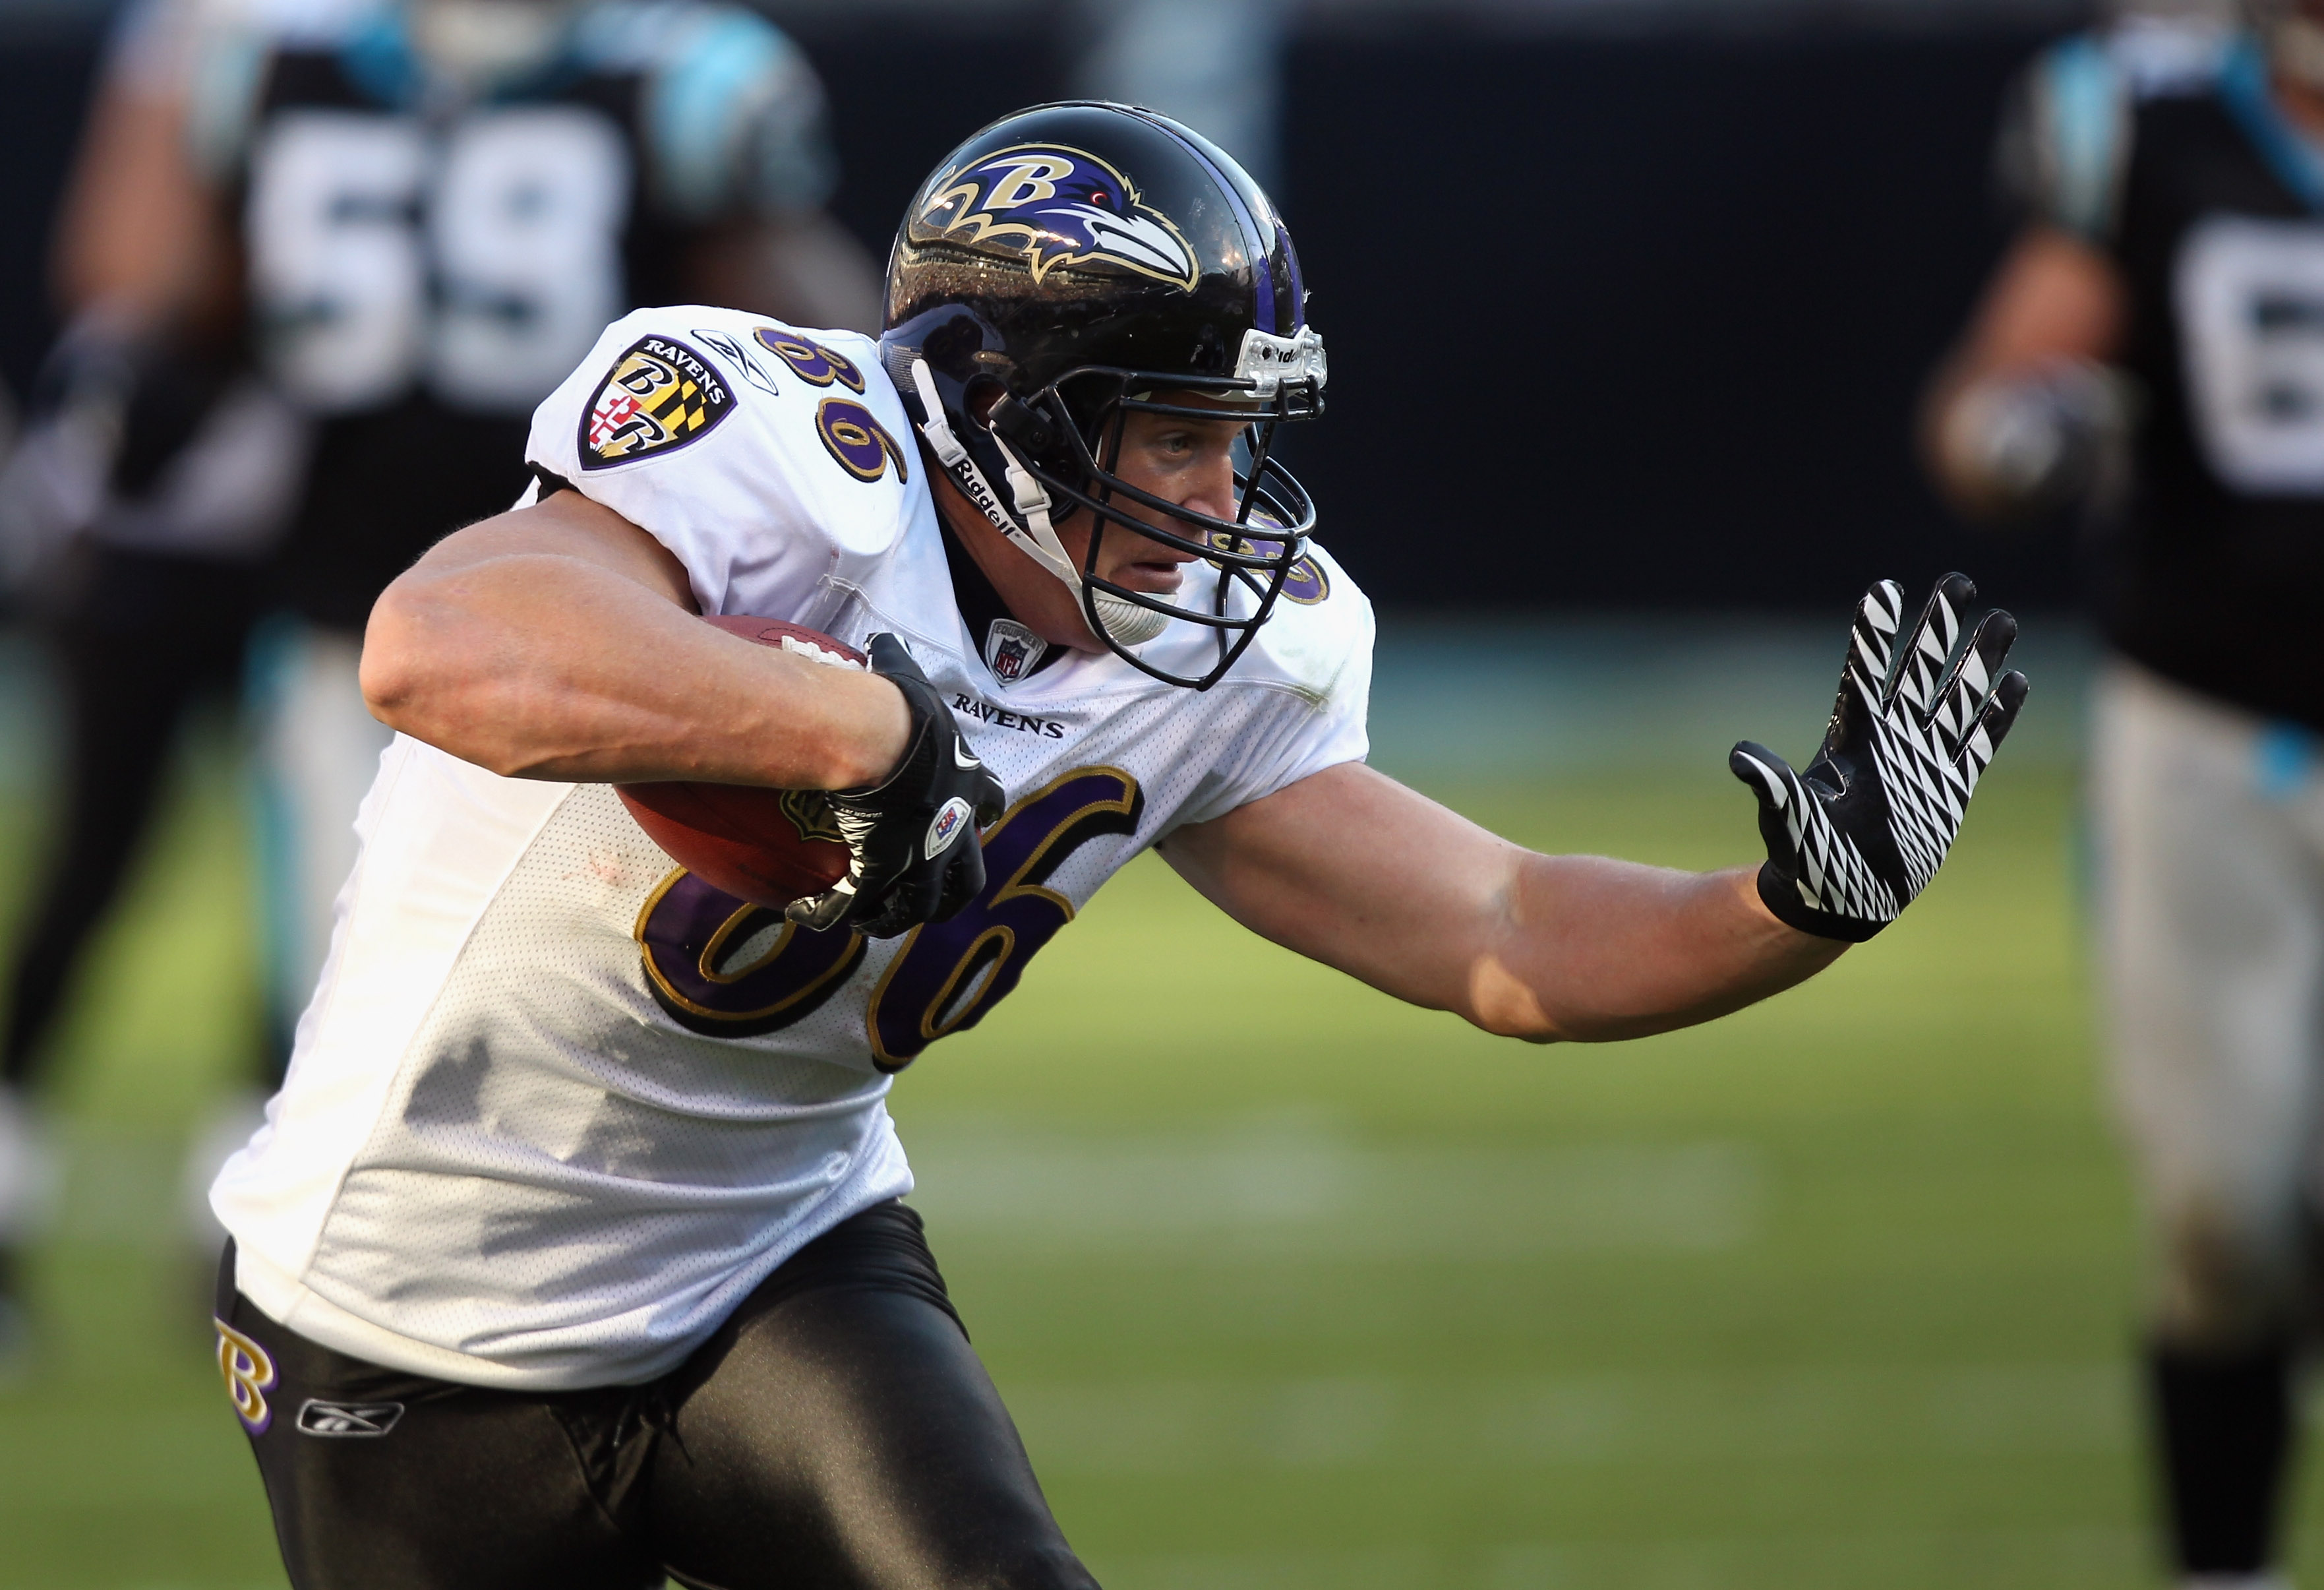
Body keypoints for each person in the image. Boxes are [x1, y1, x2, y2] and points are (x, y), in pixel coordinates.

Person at [208, 102, 2027, 1587]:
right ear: (1007, 411)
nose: (1221, 506)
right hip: (409, 1315)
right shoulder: (778, 448)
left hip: (771, 1263)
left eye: (1237, 442)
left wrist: (1798, 902)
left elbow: (1507, 930)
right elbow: (436, 643)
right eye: (1177, 439)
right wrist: (846, 727)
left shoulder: (1219, 655)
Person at [1922, 4, 2324, 1585]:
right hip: (2206, 736)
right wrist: (2025, 430)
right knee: (2219, 1218)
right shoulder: (2147, 121)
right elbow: (1979, 405)